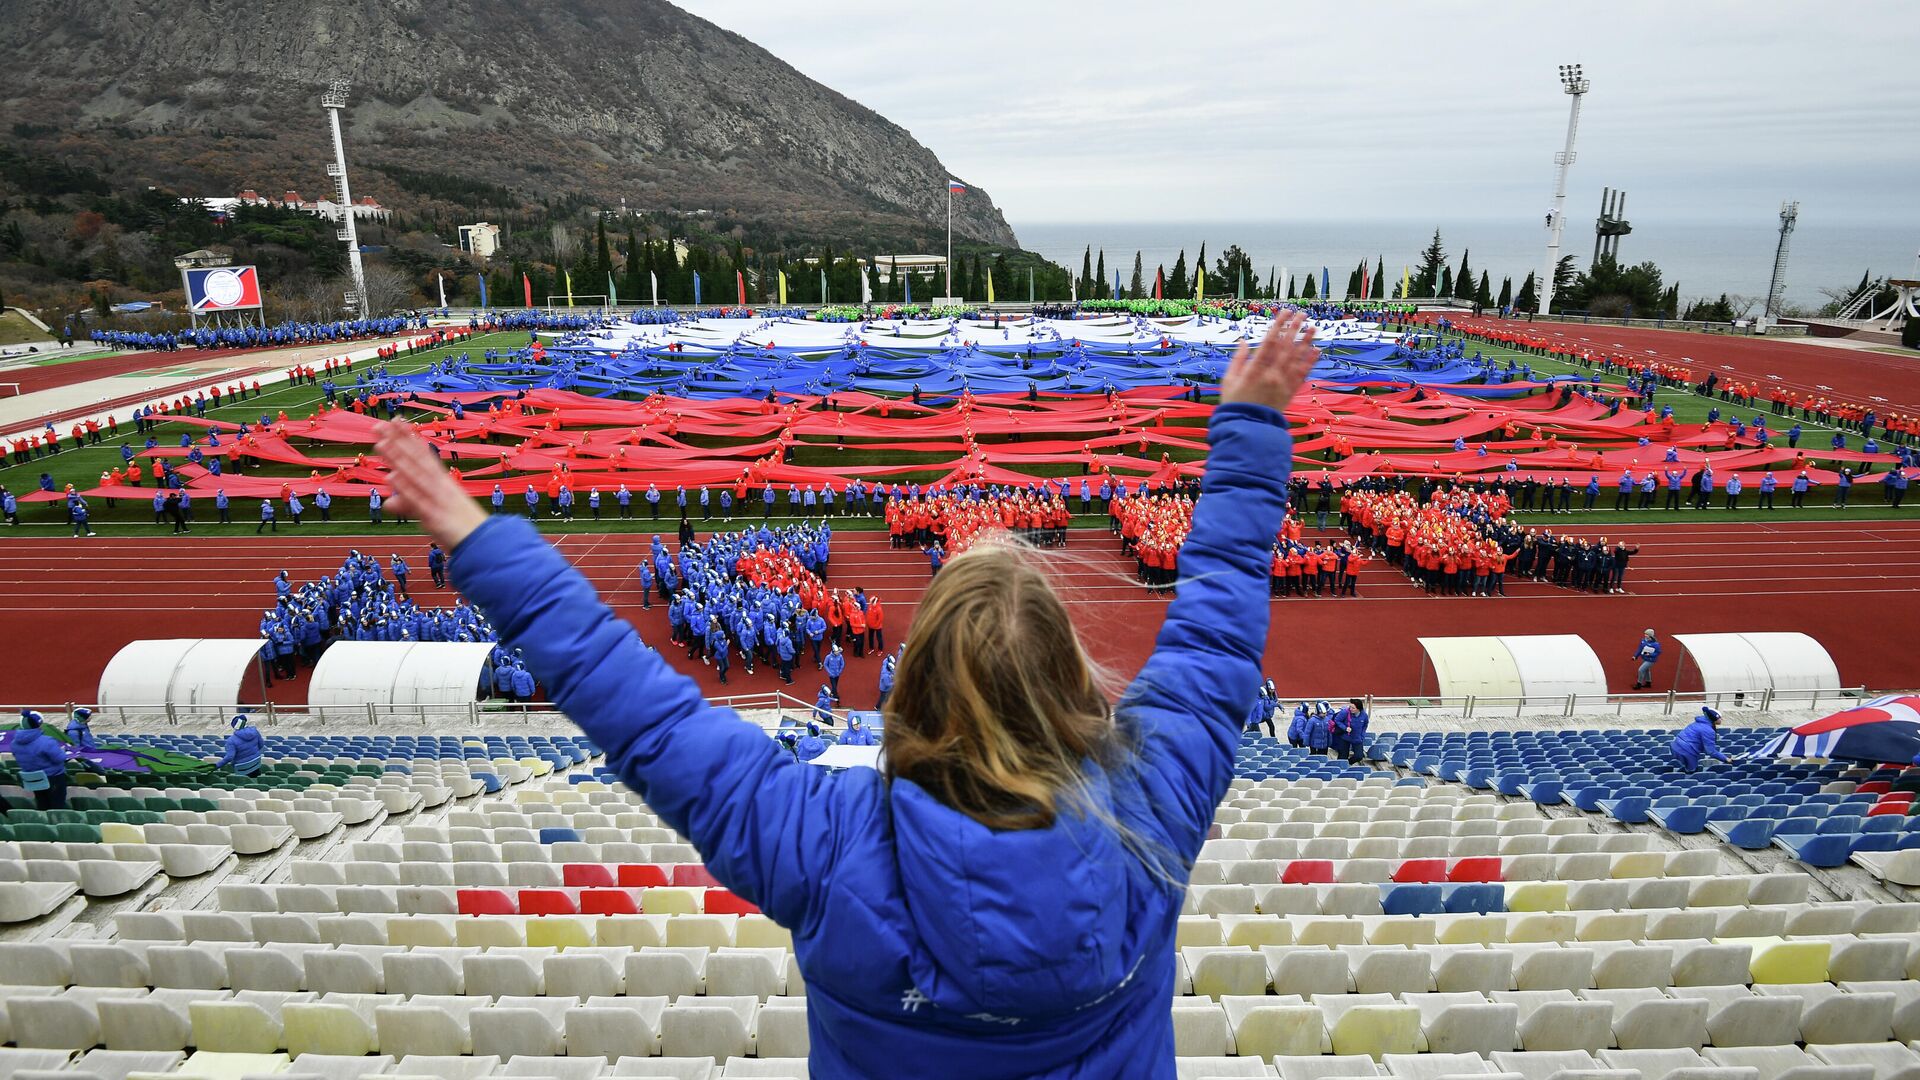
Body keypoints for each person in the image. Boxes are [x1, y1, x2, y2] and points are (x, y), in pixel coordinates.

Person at [365, 310, 1317, 1076]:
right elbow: (1220, 616)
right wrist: (1250, 428)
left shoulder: (821, 841)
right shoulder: (1151, 813)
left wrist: (473, 533)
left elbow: (634, 704)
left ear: (916, 686)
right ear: (1074, 686)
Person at [11, 710, 70, 809]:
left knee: (42, 804)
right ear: (39, 724)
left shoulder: (14, 743)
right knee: (57, 807)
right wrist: (64, 752)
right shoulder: (47, 741)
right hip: (53, 778)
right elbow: (59, 758)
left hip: (33, 779)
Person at [1670, 707, 1730, 772]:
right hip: (1687, 751)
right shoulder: (1708, 730)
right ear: (1714, 718)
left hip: (1675, 745)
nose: (1722, 719)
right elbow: (1711, 751)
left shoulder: (1698, 722)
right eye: (1720, 718)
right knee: (1691, 772)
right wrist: (1725, 759)